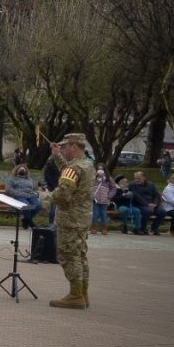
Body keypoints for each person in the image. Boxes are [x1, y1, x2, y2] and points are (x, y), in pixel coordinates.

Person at [40, 133, 93, 310]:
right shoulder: (87, 165)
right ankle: (82, 293)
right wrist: (57, 156)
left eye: (64, 147)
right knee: (80, 255)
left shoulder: (74, 169)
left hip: (69, 219)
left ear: (73, 147)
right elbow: (69, 172)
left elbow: (63, 194)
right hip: (82, 218)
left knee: (69, 255)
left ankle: (75, 295)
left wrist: (46, 197)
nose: (61, 149)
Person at [5, 164, 41, 229]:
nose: (22, 170)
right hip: (19, 196)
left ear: (26, 171)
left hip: (31, 196)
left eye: (23, 169)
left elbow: (35, 189)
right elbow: (9, 189)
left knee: (38, 206)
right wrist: (18, 194)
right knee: (26, 206)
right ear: (16, 170)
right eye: (20, 169)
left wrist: (36, 194)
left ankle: (26, 219)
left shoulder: (29, 179)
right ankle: (30, 222)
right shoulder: (11, 179)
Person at [90, 163, 118, 235]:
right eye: (99, 169)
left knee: (103, 214)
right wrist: (91, 194)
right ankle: (94, 227)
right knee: (95, 214)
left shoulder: (108, 178)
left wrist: (109, 196)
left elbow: (113, 188)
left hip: (104, 200)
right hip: (95, 199)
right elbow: (89, 186)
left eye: (102, 169)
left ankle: (104, 228)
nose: (100, 170)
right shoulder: (93, 177)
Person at [43, 154, 61, 225]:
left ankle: (52, 223)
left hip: (55, 187)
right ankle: (52, 223)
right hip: (55, 187)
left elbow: (46, 176)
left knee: (54, 206)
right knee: (54, 206)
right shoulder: (52, 163)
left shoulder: (51, 162)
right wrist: (54, 187)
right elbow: (47, 176)